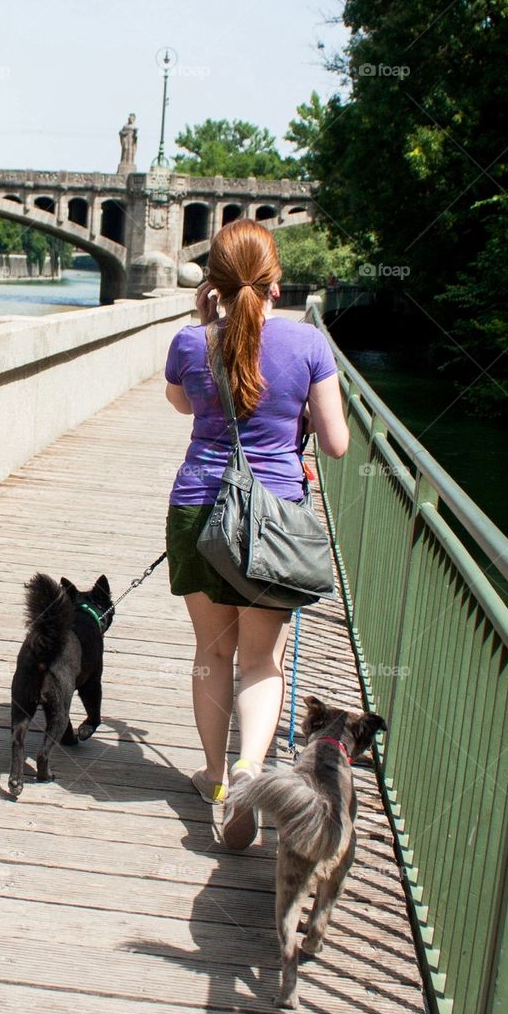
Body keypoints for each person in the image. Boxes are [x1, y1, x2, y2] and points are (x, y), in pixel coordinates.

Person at [164, 219, 349, 849]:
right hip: (272, 522)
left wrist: (206, 324)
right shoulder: (308, 344)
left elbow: (184, 404)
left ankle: (215, 778)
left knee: (211, 654)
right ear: (275, 282)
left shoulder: (190, 342)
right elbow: (337, 443)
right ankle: (249, 771)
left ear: (212, 282)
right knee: (261, 661)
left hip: (198, 511)